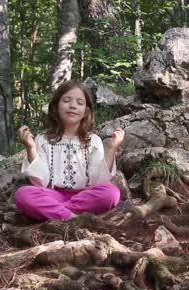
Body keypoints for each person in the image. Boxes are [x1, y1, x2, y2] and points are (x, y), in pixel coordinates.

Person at [14, 80, 125, 221]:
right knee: (22, 194)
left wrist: (111, 148)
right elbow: (41, 182)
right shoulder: (43, 139)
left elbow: (99, 181)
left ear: (86, 111)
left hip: (85, 197)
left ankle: (57, 213)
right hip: (53, 195)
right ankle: (71, 217)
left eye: (79, 103)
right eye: (66, 100)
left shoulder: (93, 140)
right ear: (56, 106)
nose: (73, 106)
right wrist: (30, 147)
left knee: (111, 193)